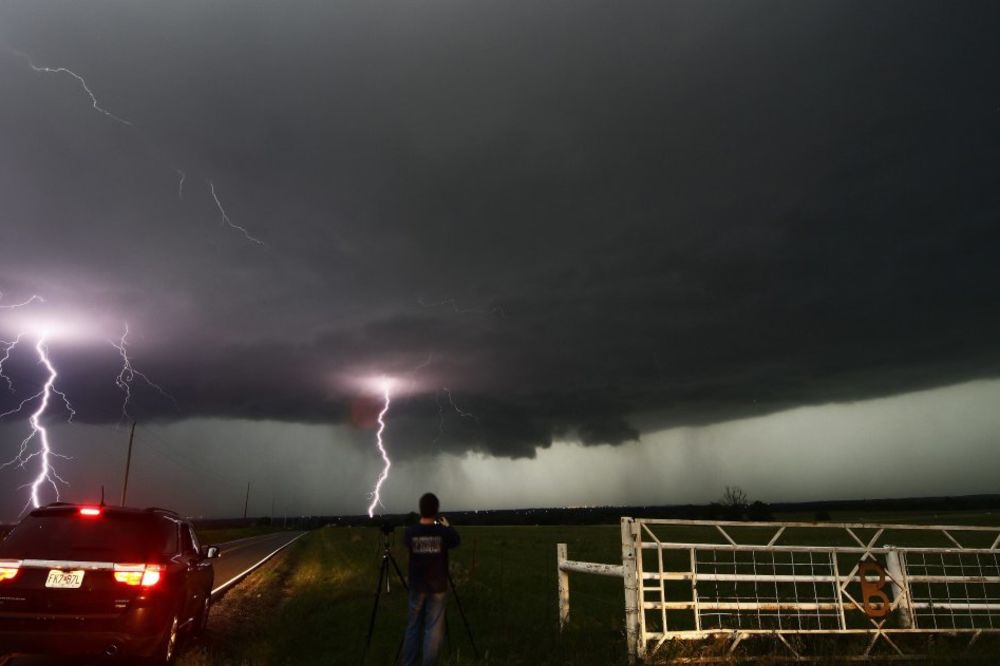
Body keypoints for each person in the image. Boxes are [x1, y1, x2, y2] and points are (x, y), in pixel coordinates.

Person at [401, 492, 460, 666]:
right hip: (437, 586)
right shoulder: (443, 532)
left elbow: (407, 543)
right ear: (436, 510)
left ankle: (409, 663)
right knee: (432, 629)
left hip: (417, 586)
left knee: (413, 627)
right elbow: (456, 541)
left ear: (421, 510)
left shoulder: (410, 533)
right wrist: (447, 526)